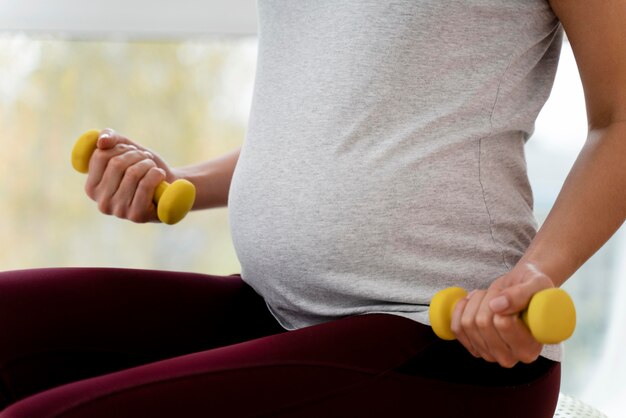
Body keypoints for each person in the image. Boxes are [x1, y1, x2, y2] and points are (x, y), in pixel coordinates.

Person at [1, 0, 624, 417]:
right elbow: (333, 127)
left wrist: (535, 276)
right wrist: (179, 179)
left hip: (443, 339)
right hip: (278, 310)